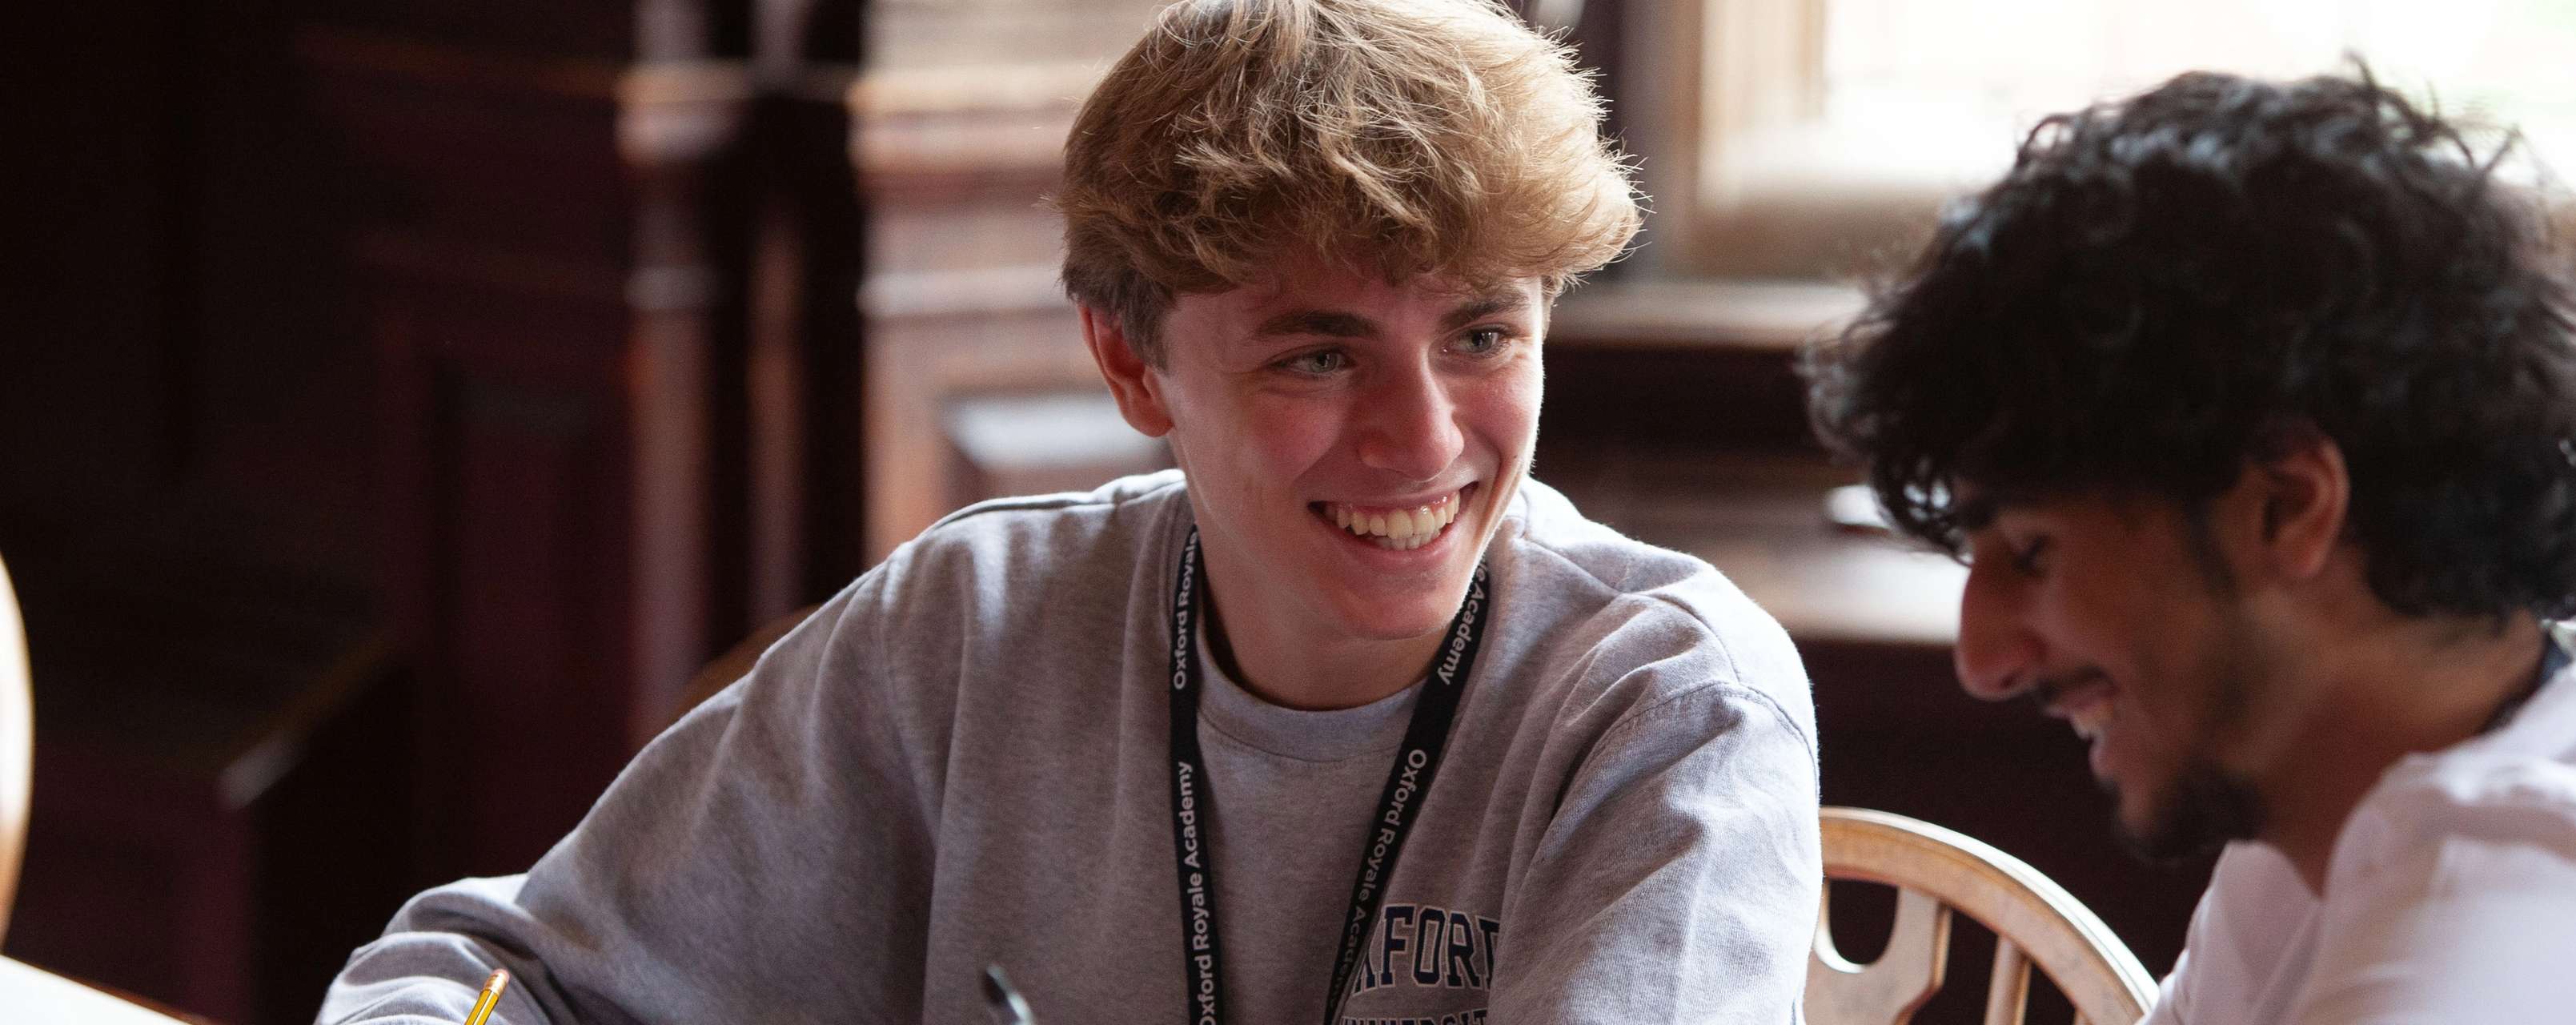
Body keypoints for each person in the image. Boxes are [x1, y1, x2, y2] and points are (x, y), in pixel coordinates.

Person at [320, 2, 1824, 1022]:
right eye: (1319, 355)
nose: (1424, 439)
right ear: (1132, 364)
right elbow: (506, 974)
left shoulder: (1669, 706)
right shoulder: (972, 625)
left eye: (1484, 335)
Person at [1804, 68, 2576, 1023]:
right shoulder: (2328, 827)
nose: (1984, 659)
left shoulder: (2518, 929)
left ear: (2288, 506)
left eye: (2033, 551)